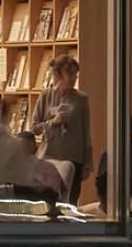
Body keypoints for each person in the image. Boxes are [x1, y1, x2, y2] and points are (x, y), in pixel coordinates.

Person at [35, 55, 92, 199]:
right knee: (48, 200)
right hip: (49, 158)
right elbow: (34, 127)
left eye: (76, 75)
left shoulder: (81, 99)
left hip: (74, 158)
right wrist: (53, 122)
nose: (74, 78)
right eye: (70, 74)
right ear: (59, 74)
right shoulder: (45, 96)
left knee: (71, 202)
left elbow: (86, 132)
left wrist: (88, 162)